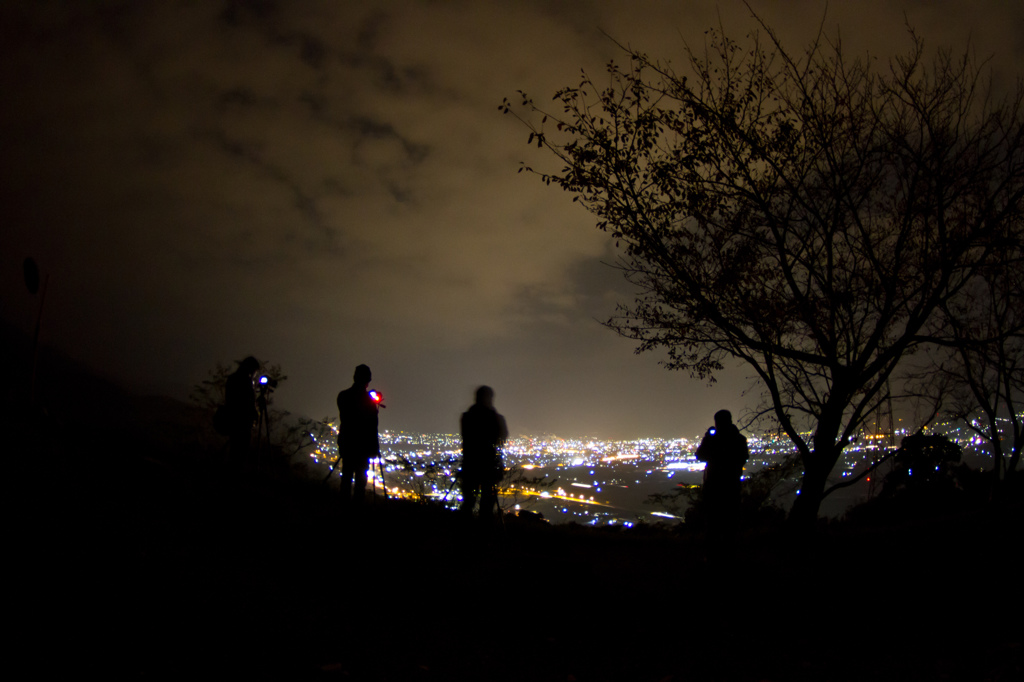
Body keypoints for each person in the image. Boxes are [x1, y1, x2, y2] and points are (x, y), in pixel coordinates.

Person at [695, 409, 749, 552]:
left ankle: (713, 555)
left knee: (713, 522)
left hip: (715, 485)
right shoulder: (739, 439)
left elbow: (700, 455)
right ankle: (728, 554)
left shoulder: (716, 439)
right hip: (731, 485)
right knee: (730, 522)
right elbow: (743, 459)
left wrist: (708, 439)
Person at [458, 386, 508, 519]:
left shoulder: (467, 417)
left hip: (471, 465)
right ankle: (483, 534)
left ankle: (463, 532)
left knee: (468, 502)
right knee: (487, 505)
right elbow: (502, 438)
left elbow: (467, 439)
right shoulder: (496, 419)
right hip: (489, 467)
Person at [336, 364, 380, 509]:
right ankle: (356, 511)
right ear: (367, 380)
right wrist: (374, 448)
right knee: (360, 481)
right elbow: (372, 426)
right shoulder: (368, 402)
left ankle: (343, 509)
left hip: (347, 443)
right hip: (362, 446)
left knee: (346, 477)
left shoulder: (343, 396)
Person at [224, 356, 259, 466]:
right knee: (240, 453)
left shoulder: (233, 378)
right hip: (242, 422)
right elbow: (247, 402)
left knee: (234, 450)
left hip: (234, 420)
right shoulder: (245, 382)